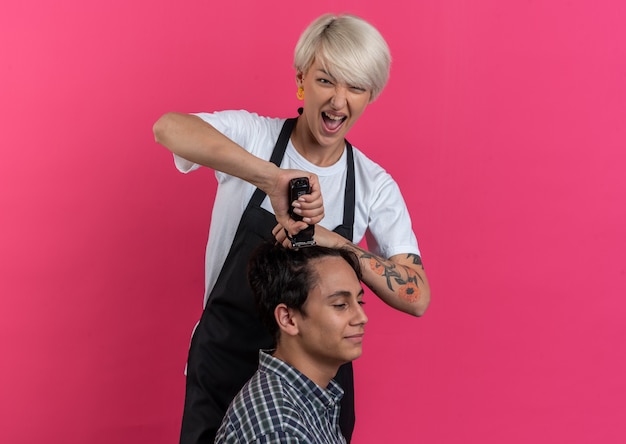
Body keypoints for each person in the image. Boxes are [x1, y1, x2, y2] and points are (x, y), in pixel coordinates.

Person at [153, 13, 431, 444]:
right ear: (301, 79)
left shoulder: (374, 186)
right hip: (225, 366)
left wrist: (336, 243)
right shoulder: (255, 138)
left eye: (355, 87)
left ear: (370, 95)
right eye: (326, 80)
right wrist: (270, 178)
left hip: (316, 391)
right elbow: (168, 128)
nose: (339, 101)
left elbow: (417, 296)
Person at [215, 242, 367, 443]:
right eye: (340, 305)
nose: (361, 317)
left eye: (360, 302)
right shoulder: (279, 430)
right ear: (288, 319)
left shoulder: (311, 398)